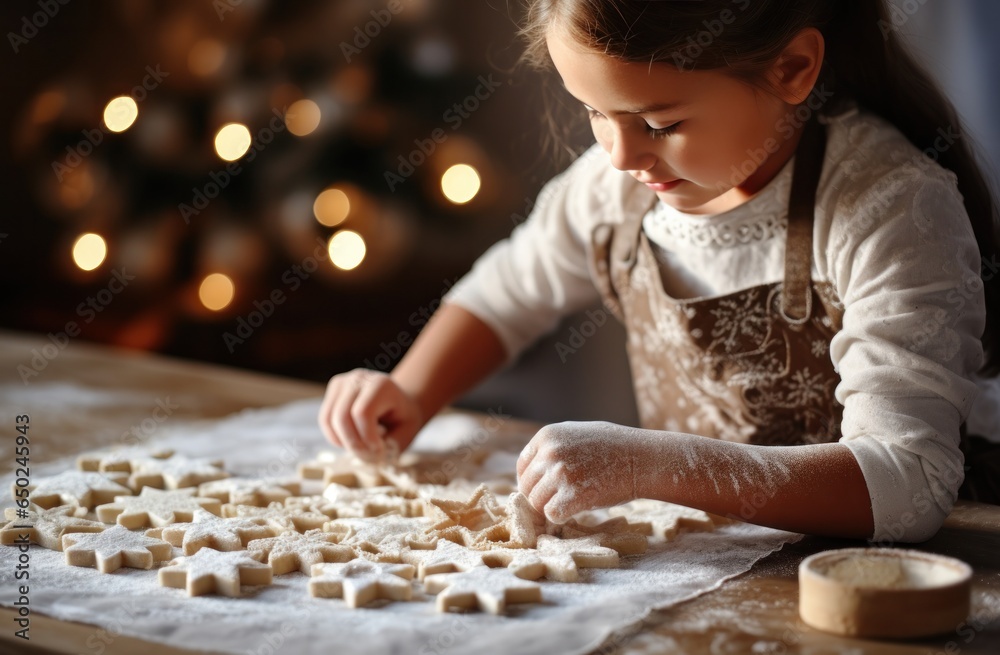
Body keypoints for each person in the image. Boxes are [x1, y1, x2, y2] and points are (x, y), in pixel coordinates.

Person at [318, 0, 1000, 543]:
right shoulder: (614, 191)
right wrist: (409, 390)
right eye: (593, 112)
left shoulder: (889, 207)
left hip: (895, 577)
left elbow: (909, 482)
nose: (620, 155)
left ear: (792, 68)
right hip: (721, 554)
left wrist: (651, 464)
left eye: (661, 121)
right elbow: (505, 293)